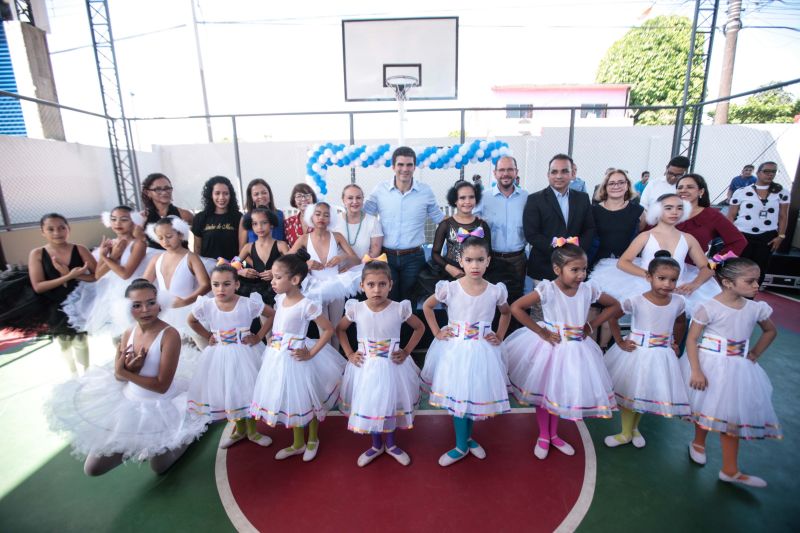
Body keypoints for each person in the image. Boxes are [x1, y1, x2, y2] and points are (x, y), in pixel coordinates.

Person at [45, 279, 207, 476]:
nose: (146, 310)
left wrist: (127, 373)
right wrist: (128, 371)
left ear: (159, 303)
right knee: (92, 469)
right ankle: (139, 443)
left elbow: (161, 386)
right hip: (130, 404)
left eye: (151, 302)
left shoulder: (169, 334)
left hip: (162, 405)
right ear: (127, 308)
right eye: (137, 305)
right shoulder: (128, 332)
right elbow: (119, 375)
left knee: (160, 467)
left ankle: (186, 435)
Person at [503, 243, 621, 460]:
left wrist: (591, 325)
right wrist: (541, 331)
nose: (581, 275)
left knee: (558, 391)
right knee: (544, 392)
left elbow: (614, 305)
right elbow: (516, 308)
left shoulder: (589, 289)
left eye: (584, 269)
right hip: (550, 348)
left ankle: (554, 434)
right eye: (574, 270)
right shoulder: (547, 289)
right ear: (558, 269)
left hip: (576, 350)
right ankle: (544, 435)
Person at [681, 256, 781, 488]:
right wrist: (696, 370)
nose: (757, 286)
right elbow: (693, 339)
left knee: (731, 418)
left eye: (758, 281)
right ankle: (698, 443)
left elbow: (770, 331)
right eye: (750, 281)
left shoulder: (756, 308)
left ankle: (730, 469)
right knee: (707, 407)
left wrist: (754, 353)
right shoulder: (708, 307)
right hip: (710, 365)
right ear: (728, 282)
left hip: (738, 369)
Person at [421, 237, 511, 467]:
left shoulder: (495, 291)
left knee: (473, 394)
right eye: (469, 260)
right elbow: (428, 307)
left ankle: (468, 439)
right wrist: (437, 333)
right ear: (460, 261)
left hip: (483, 350)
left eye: (480, 260)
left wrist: (499, 335)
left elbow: (506, 313)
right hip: (455, 350)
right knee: (460, 395)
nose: (474, 265)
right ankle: (461, 445)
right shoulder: (450, 288)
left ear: (488, 261)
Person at [250, 254, 346, 462]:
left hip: (298, 359)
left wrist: (311, 353)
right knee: (292, 400)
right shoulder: (279, 300)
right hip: (277, 358)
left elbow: (328, 329)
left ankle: (312, 439)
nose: (272, 282)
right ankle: (297, 443)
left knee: (307, 398)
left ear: (294, 280)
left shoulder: (306, 304)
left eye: (277, 277)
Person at [336, 260, 425, 467]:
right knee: (373, 403)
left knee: (390, 404)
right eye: (371, 284)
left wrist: (406, 351)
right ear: (362, 286)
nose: (377, 289)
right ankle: (376, 445)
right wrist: (349, 353)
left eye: (382, 284)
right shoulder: (356, 309)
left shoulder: (399, 309)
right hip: (365, 367)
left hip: (393, 367)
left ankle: (392, 444)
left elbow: (419, 328)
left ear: (390, 285)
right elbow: (339, 329)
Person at [603, 252, 689, 449]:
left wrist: (675, 341)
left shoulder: (678, 302)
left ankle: (634, 428)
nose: (667, 284)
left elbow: (680, 321)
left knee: (645, 391)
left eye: (673, 280)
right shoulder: (636, 300)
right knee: (630, 392)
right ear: (649, 277)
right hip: (637, 352)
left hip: (661, 354)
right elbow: (612, 317)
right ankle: (625, 432)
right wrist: (619, 341)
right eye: (661, 278)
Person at [186, 265, 275, 449]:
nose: (220, 289)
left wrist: (258, 336)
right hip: (219, 356)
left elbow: (272, 314)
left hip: (246, 354)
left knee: (247, 391)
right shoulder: (206, 304)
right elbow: (191, 320)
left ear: (236, 284)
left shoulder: (247, 303)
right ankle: (240, 429)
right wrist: (207, 335)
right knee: (230, 391)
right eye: (216, 284)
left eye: (226, 284)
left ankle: (253, 431)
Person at [0, 214, 96, 376]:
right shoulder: (37, 253)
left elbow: (96, 275)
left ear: (68, 229)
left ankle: (86, 374)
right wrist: (66, 276)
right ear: (42, 232)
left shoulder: (80, 249)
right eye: (50, 229)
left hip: (78, 301)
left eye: (61, 228)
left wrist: (75, 276)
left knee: (80, 340)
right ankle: (72, 373)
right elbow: (38, 286)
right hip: (53, 303)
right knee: (64, 343)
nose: (57, 232)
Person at [590, 194, 719, 314]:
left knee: (675, 319)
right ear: (657, 211)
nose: (674, 212)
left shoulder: (688, 238)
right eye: (668, 208)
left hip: (677, 284)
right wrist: (647, 274)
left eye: (679, 208)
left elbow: (710, 266)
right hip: (645, 283)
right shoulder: (646, 236)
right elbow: (623, 262)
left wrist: (695, 283)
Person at [364, 146, 445, 302]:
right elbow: (363, 216)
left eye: (409, 165)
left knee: (410, 303)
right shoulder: (380, 190)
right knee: (387, 302)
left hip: (414, 258)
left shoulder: (425, 191)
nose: (405, 169)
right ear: (393, 166)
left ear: (414, 167)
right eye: (400, 164)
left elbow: (440, 219)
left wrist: (467, 220)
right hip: (385, 256)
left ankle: (410, 328)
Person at [63, 206, 157, 340]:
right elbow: (98, 275)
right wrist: (109, 255)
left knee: (135, 332)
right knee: (118, 336)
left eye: (124, 219)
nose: (118, 223)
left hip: (131, 292)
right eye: (113, 219)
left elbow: (125, 274)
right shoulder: (110, 243)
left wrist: (108, 257)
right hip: (111, 292)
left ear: (133, 221)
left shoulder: (138, 244)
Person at [288, 202, 360, 348]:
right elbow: (286, 262)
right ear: (311, 217)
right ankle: (328, 366)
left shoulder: (337, 236)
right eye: (318, 214)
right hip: (314, 288)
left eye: (326, 215)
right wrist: (305, 265)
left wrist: (342, 258)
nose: (322, 217)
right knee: (324, 332)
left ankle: (338, 365)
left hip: (336, 286)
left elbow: (356, 259)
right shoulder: (304, 239)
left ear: (331, 218)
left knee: (336, 328)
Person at [523, 153, 595, 283]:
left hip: (575, 267)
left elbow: (589, 228)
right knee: (543, 304)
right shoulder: (535, 199)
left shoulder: (583, 199)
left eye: (564, 171)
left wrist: (575, 251)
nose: (559, 176)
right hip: (544, 267)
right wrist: (558, 249)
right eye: (554, 172)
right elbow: (531, 234)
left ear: (572, 173)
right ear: (548, 174)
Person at [416, 180, 491, 299]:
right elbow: (435, 253)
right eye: (462, 198)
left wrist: (477, 271)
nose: (467, 201)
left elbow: (488, 253)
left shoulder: (483, 225)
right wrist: (449, 268)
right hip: (452, 275)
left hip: (477, 274)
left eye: (471, 197)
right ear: (455, 200)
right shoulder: (446, 224)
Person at [142, 216, 211, 341]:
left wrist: (186, 301)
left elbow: (206, 284)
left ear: (180, 234)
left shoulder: (191, 257)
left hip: (187, 308)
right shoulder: (156, 258)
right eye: (160, 238)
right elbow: (143, 284)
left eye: (169, 236)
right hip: (163, 311)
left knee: (192, 346)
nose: (165, 241)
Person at [727, 161, 790, 286]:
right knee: (738, 266)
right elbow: (731, 215)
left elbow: (783, 215)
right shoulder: (741, 192)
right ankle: (733, 296)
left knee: (760, 267)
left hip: (767, 236)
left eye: (773, 172)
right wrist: (730, 236)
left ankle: (750, 297)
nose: (770, 174)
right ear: (758, 172)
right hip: (742, 234)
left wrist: (781, 236)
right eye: (766, 171)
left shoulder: (782, 192)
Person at [478, 156, 529, 304]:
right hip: (492, 259)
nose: (505, 173)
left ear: (516, 172)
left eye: (509, 169)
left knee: (515, 301)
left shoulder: (526, 197)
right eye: (501, 170)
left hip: (518, 260)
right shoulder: (483, 197)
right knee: (490, 301)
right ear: (495, 173)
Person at [676, 173, 746, 263]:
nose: (683, 190)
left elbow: (738, 241)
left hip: (694, 272)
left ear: (701, 191)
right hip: (660, 270)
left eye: (690, 187)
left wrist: (715, 264)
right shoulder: (665, 212)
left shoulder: (712, 216)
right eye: (679, 187)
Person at [591, 168, 645, 267]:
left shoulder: (639, 211)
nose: (616, 186)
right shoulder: (593, 211)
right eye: (611, 183)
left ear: (627, 185)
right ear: (605, 187)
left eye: (621, 182)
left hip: (627, 264)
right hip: (597, 264)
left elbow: (641, 231)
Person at [237, 208, 289, 306]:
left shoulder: (281, 245)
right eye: (255, 224)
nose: (259, 227)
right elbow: (231, 267)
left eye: (264, 223)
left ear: (272, 224)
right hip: (256, 292)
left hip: (279, 291)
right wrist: (241, 271)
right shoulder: (248, 247)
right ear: (250, 226)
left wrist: (275, 273)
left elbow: (293, 266)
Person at [192, 176, 242, 262]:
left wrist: (235, 266)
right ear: (211, 195)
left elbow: (242, 247)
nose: (221, 197)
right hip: (207, 268)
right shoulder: (200, 217)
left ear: (231, 195)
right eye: (217, 193)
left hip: (231, 268)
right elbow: (197, 247)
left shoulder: (238, 217)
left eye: (226, 193)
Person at [140, 173, 193, 250]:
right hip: (155, 260)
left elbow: (201, 237)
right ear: (147, 192)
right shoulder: (143, 217)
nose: (164, 192)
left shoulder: (185, 214)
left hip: (181, 259)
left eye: (167, 188)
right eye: (158, 189)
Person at [332, 183, 383, 258]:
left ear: (363, 199)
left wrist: (357, 265)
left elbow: (375, 252)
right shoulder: (334, 220)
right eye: (350, 198)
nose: (355, 201)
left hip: (364, 268)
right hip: (339, 268)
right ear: (343, 200)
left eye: (358, 198)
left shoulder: (373, 221)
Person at [238, 178, 286, 248]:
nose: (260, 196)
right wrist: (254, 259)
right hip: (253, 258)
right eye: (256, 194)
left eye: (264, 193)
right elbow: (241, 250)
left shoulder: (280, 215)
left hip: (278, 258)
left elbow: (285, 241)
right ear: (251, 198)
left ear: (269, 194)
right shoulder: (245, 218)